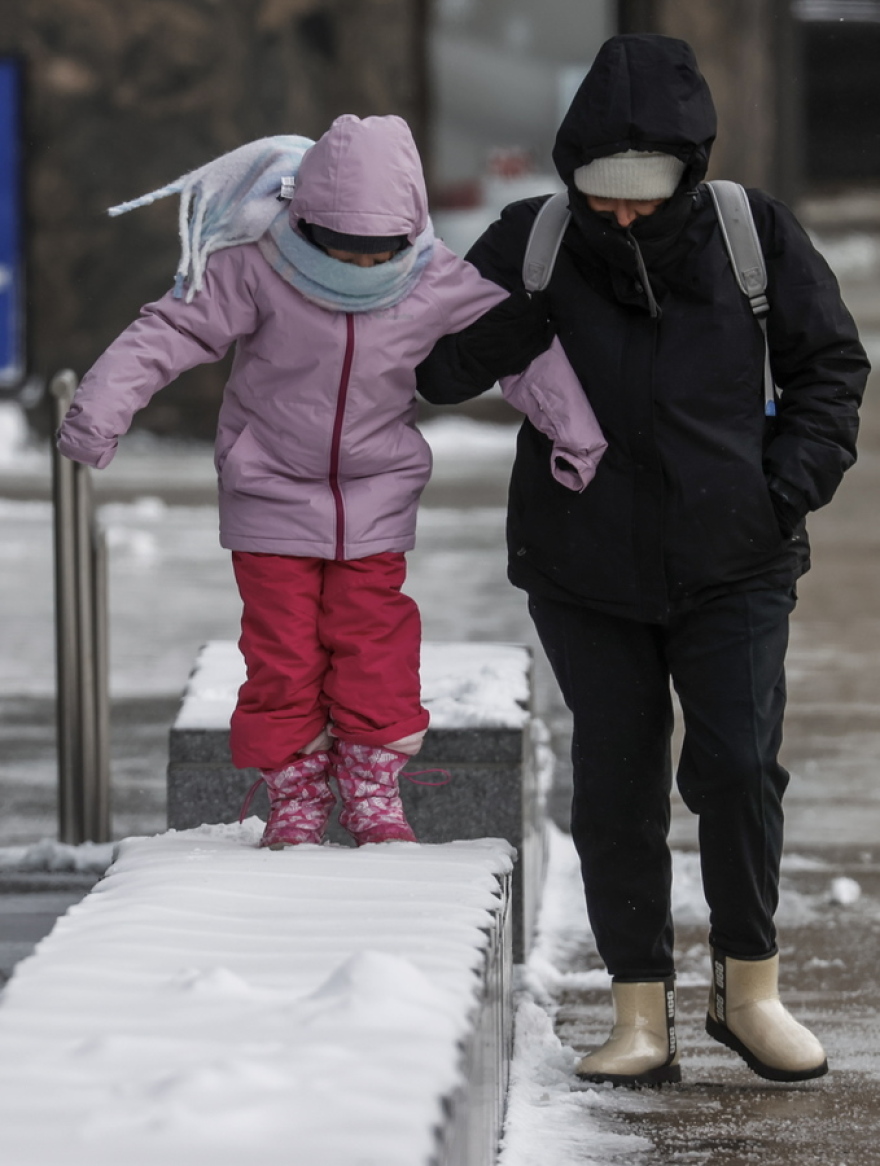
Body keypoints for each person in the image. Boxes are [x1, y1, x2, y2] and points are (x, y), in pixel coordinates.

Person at [416, 34, 869, 1084]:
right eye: (602, 195)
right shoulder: (533, 242)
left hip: (735, 558)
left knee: (739, 767)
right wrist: (510, 323)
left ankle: (748, 991)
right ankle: (638, 1009)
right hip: (585, 568)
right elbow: (434, 369)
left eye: (644, 197)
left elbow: (830, 367)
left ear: (687, 175)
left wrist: (781, 488)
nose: (621, 215)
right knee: (616, 782)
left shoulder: (751, 233)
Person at [57, 114, 606, 852]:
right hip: (269, 492)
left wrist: (576, 434)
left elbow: (517, 348)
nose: (358, 263)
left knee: (375, 646)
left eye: (376, 251)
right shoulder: (256, 263)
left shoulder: (432, 275)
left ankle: (374, 786)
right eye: (343, 246)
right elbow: (170, 329)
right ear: (306, 222)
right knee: (282, 653)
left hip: (374, 499)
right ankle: (294, 791)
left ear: (407, 232)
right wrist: (97, 414)